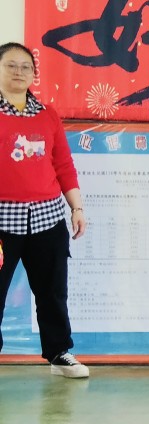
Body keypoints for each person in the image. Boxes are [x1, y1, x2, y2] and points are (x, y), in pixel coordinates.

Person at [0, 42, 88, 378]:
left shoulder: (47, 114)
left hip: (47, 219)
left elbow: (63, 164)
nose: (19, 72)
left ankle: (59, 353)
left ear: (34, 74)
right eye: (11, 65)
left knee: (52, 292)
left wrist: (76, 207)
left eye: (26, 67)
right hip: (3, 221)